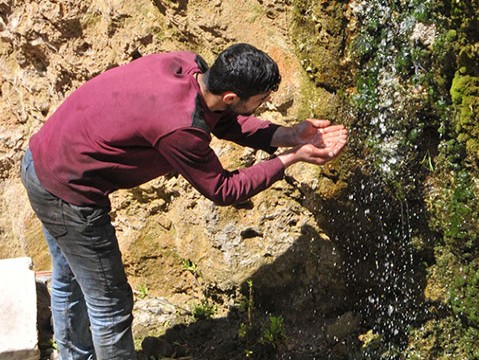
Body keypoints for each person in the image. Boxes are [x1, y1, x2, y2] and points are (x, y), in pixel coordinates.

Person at [20, 43, 347, 359]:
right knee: (111, 304)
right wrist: (292, 158)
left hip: (41, 159)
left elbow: (225, 120)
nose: (262, 105)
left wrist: (290, 134)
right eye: (260, 100)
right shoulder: (180, 128)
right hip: (66, 195)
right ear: (232, 96)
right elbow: (223, 189)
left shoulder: (188, 65)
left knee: (69, 277)